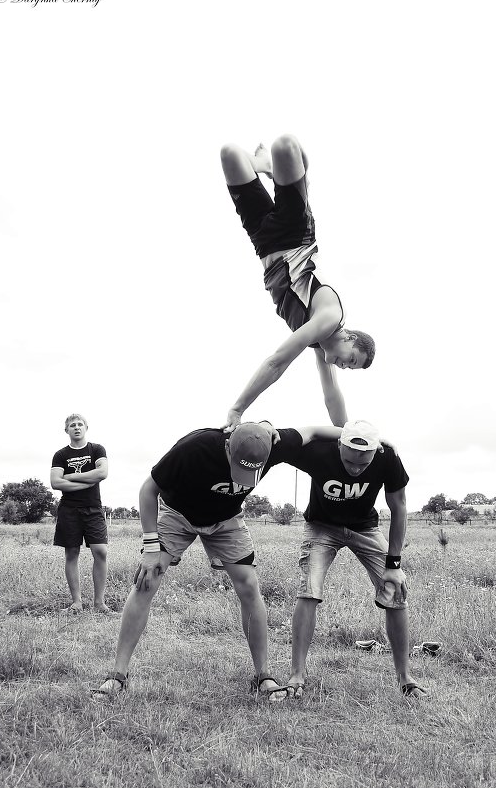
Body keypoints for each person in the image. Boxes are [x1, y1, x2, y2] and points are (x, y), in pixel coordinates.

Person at [92, 421, 341, 701]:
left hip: (226, 519)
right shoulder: (193, 448)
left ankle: (263, 676)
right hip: (178, 514)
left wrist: (366, 438)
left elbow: (314, 432)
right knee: (147, 580)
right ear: (227, 445)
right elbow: (148, 490)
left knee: (248, 585)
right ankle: (117, 676)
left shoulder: (273, 442)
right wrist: (151, 547)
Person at [220, 135, 375, 433]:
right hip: (295, 234)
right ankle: (279, 170)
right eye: (350, 360)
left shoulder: (321, 347)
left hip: (263, 242)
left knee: (229, 154)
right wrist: (237, 408)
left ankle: (269, 168)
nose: (343, 366)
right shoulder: (329, 319)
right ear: (350, 338)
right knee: (285, 146)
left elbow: (332, 397)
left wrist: (349, 435)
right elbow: (277, 362)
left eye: (349, 368)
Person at [274, 419, 426, 699]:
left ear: (375, 452)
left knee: (395, 590)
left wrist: (394, 564)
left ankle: (406, 679)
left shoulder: (387, 458)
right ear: (340, 446)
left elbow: (400, 507)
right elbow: (282, 446)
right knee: (309, 590)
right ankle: (296, 675)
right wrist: (264, 434)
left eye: (362, 464)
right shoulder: (320, 452)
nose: (355, 468)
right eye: (349, 461)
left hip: (365, 528)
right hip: (321, 526)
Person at [50, 413, 110, 613]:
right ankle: (77, 603)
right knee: (72, 553)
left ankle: (99, 603)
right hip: (69, 509)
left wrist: (72, 477)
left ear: (86, 427)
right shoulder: (60, 455)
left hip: (93, 507)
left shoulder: (97, 449)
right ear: (66, 430)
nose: (76, 427)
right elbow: (56, 482)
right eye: (72, 425)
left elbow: (102, 473)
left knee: (100, 551)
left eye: (80, 424)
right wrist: (87, 481)